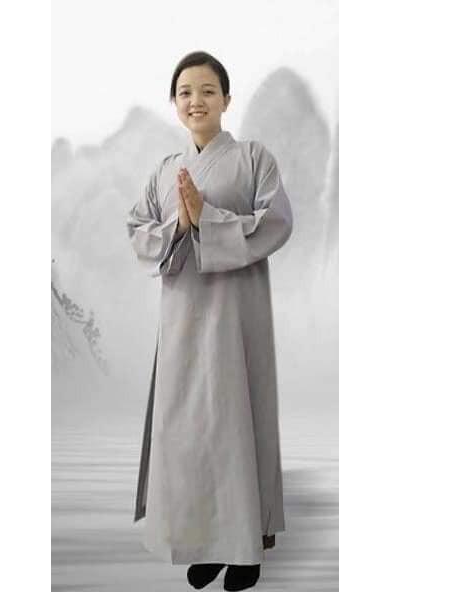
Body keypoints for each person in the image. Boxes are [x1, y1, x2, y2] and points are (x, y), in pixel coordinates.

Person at [126, 50, 293, 591]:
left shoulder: (253, 158)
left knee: (235, 422)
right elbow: (138, 230)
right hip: (181, 320)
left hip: (236, 318)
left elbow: (277, 221)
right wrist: (181, 223)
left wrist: (209, 220)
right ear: (174, 103)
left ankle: (243, 549)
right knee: (188, 431)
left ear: (226, 98)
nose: (195, 100)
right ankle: (204, 542)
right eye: (185, 92)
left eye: (206, 90)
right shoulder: (163, 171)